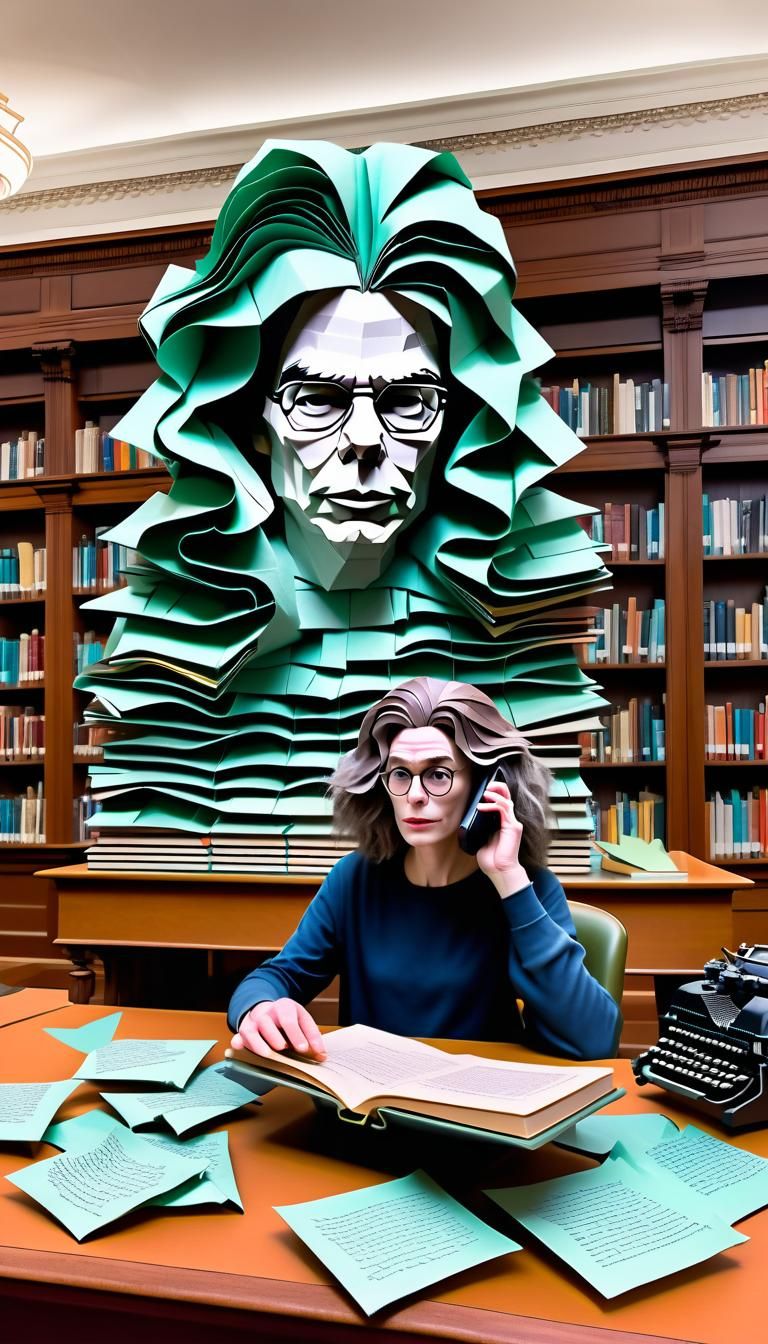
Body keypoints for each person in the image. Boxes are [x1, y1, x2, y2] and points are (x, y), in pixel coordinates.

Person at [228, 677, 620, 1062]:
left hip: (480, 1110)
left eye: (438, 774)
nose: (415, 796)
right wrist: (259, 1008)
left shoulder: (525, 886)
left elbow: (594, 1039)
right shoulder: (354, 879)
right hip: (373, 1114)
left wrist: (509, 881)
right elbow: (274, 978)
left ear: (485, 787)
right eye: (400, 773)